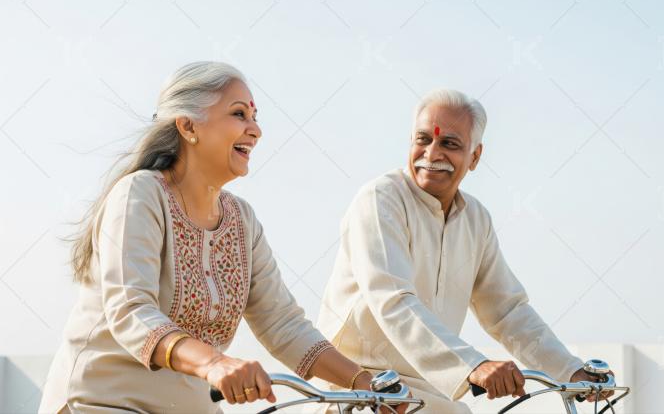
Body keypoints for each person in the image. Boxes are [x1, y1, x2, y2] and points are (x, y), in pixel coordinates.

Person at [39, 62, 399, 413]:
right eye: (239, 114)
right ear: (188, 126)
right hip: (101, 401)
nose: (256, 130)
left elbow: (283, 324)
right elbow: (132, 311)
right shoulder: (140, 194)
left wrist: (366, 384)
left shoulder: (242, 220)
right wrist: (213, 363)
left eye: (255, 117)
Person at [316, 89, 614, 412]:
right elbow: (393, 301)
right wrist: (473, 366)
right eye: (423, 139)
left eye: (449, 143)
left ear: (474, 157)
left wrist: (570, 370)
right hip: (361, 391)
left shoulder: (476, 220)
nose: (431, 153)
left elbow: (507, 312)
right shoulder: (380, 199)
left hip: (428, 395)